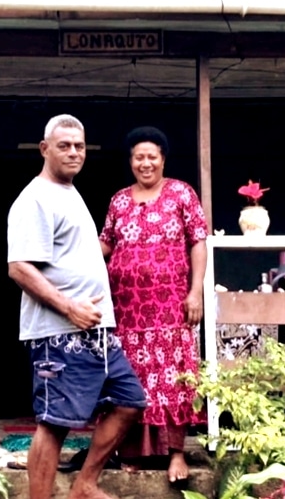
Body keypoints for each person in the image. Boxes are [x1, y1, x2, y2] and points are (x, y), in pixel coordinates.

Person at [7, 114, 147, 499]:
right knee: (54, 423)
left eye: (80, 146)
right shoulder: (34, 198)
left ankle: (84, 484)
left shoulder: (70, 193)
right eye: (64, 145)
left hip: (97, 331)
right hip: (59, 333)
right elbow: (19, 268)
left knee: (130, 401)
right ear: (45, 149)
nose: (74, 153)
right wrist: (69, 307)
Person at [99, 126, 208, 484]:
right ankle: (129, 451)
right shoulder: (118, 200)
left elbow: (198, 242)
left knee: (172, 377)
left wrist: (196, 292)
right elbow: (105, 246)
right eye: (138, 157)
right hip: (127, 310)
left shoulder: (181, 193)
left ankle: (176, 454)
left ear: (162, 158)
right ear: (131, 161)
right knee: (131, 380)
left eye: (151, 156)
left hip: (170, 306)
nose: (145, 163)